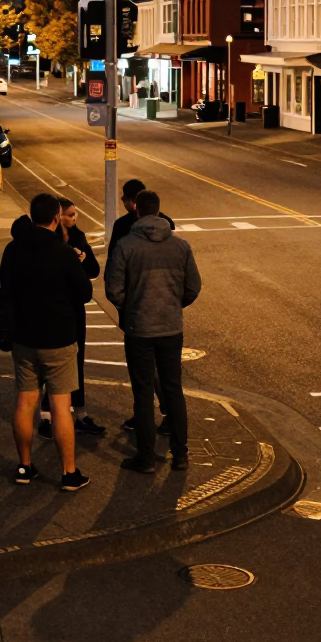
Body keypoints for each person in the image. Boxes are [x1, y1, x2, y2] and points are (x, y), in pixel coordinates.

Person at [0, 193, 92, 490]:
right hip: (59, 337)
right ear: (55, 218)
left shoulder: (13, 250)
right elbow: (84, 293)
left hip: (24, 337)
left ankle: (24, 466)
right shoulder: (62, 252)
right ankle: (68, 472)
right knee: (60, 406)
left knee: (25, 402)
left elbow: (6, 287)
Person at [105, 189, 201, 475]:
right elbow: (193, 287)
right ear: (159, 212)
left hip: (139, 329)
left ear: (137, 211)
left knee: (143, 392)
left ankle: (146, 457)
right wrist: (174, 304)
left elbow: (113, 289)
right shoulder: (180, 246)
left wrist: (133, 305)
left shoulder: (126, 245)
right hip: (171, 328)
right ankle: (181, 454)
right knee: (173, 390)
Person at [106, 178, 174, 433]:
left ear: (132, 202)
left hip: (136, 313)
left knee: (142, 369)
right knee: (165, 368)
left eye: (125, 199)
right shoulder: (168, 227)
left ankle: (146, 418)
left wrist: (125, 305)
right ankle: (169, 417)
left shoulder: (124, 228)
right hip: (166, 312)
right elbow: (188, 283)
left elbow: (113, 276)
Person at [37, 198, 104, 440]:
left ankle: (80, 413)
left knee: (77, 360)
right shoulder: (50, 242)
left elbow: (94, 270)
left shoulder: (78, 237)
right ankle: (46, 414)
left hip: (75, 308)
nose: (73, 219)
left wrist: (83, 259)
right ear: (57, 217)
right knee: (51, 363)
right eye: (69, 215)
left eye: (75, 215)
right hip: (55, 309)